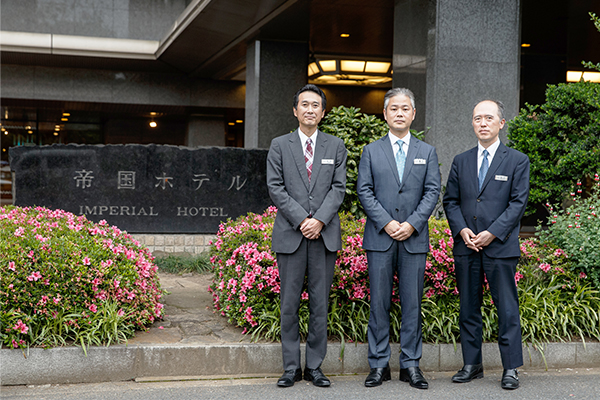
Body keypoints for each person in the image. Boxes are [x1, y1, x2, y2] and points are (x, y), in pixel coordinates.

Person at [443, 100, 530, 390]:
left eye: (489, 118)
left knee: (506, 308)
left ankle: (510, 368)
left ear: (501, 123)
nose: (483, 123)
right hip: (467, 245)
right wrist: (463, 229)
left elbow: (518, 204)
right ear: (472, 123)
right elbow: (451, 201)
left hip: (500, 246)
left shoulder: (517, 160)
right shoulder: (461, 160)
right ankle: (472, 364)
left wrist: (492, 232)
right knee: (468, 307)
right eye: (477, 118)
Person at [357, 88, 441, 389]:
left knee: (412, 304)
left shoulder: (427, 152)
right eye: (394, 109)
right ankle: (378, 364)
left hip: (413, 238)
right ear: (385, 114)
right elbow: (364, 191)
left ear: (413, 114)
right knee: (379, 303)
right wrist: (389, 222)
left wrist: (413, 224)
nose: (400, 113)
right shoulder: (371, 151)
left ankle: (410, 365)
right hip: (380, 237)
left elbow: (432, 191)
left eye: (405, 108)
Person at [266, 84, 347, 388]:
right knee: (289, 304)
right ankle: (290, 367)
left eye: (316, 105)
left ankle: (314, 366)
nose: (310, 110)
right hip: (291, 234)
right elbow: (276, 187)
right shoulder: (279, 145)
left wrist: (320, 220)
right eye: (305, 104)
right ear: (295, 110)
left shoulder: (335, 146)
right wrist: (302, 219)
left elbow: (339, 188)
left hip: (324, 235)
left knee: (319, 303)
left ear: (323, 113)